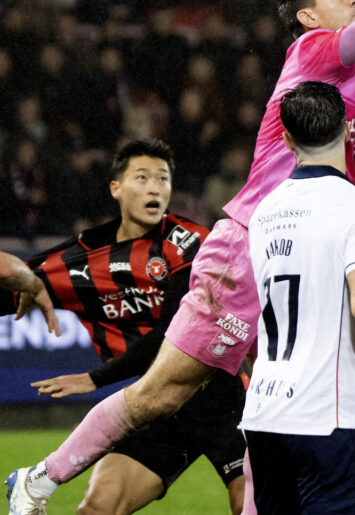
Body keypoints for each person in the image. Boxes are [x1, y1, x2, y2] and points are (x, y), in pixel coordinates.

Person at [5, 0, 355, 515]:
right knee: (161, 395)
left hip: (306, 238)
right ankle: (38, 479)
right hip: (250, 243)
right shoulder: (312, 52)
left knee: (286, 390)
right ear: (308, 17)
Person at [4, 139, 247, 515]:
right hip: (155, 412)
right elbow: (15, 279)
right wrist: (25, 281)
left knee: (250, 503)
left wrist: (94, 379)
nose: (155, 188)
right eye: (142, 177)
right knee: (98, 507)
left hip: (224, 403)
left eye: (163, 178)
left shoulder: (190, 243)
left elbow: (172, 335)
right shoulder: (79, 260)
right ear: (115, 188)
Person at [243, 81, 355, 513]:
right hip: (328, 421)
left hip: (265, 416)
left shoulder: (263, 213)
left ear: (287, 140)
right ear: (349, 130)